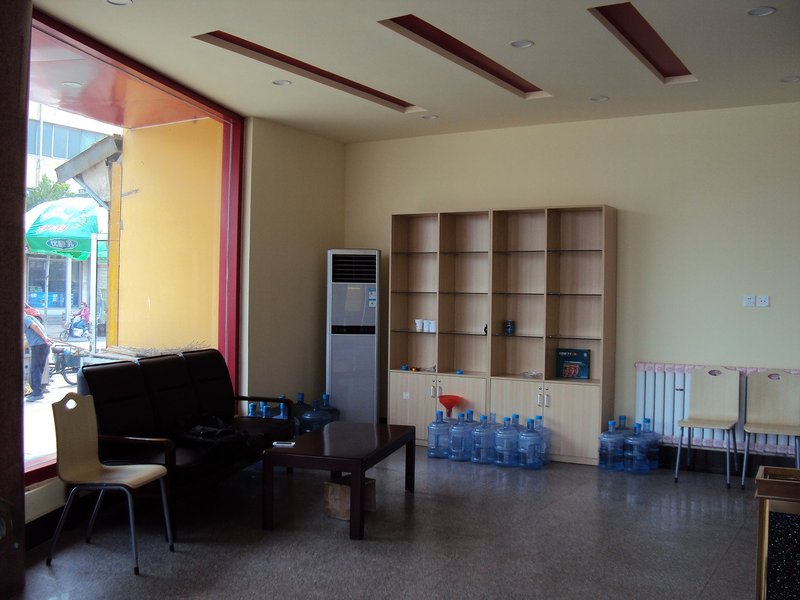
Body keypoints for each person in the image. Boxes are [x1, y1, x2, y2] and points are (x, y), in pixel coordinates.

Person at [23, 310, 52, 401]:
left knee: (35, 369)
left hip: (38, 346)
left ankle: (37, 393)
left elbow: (34, 327)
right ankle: (36, 391)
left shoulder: (25, 319)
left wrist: (45, 338)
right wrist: (45, 338)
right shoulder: (33, 318)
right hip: (43, 346)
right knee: (38, 369)